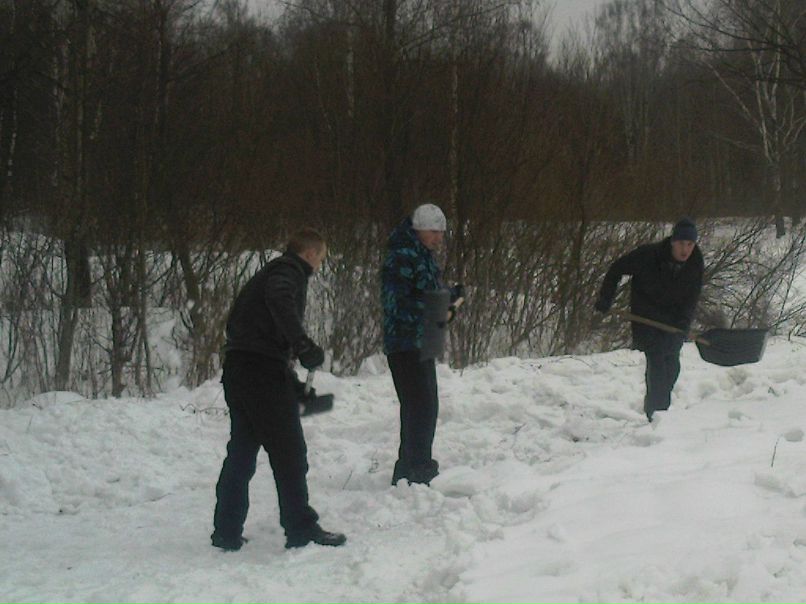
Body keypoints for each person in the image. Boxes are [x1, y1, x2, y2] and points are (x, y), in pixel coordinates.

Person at [211, 228, 346, 551]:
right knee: (289, 453)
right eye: (321, 258)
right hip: (260, 374)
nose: (319, 265)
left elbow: (260, 337)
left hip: (240, 369)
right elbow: (278, 301)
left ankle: (226, 531)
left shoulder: (271, 272)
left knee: (242, 452)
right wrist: (302, 345)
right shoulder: (287, 272)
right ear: (310, 253)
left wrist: (293, 384)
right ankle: (301, 529)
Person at [381, 204, 463, 486]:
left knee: (426, 406)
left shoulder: (422, 256)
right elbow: (399, 302)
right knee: (420, 406)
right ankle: (416, 469)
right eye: (433, 232)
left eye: (441, 233)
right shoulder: (401, 257)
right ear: (418, 230)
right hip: (404, 342)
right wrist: (437, 308)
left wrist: (450, 296)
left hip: (423, 339)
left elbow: (426, 293)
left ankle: (412, 467)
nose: (439, 239)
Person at [594, 218, 704, 422]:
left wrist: (683, 324)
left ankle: (657, 408)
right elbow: (617, 269)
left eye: (690, 244)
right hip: (647, 318)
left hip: (673, 323)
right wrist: (605, 298)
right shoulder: (648, 256)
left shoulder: (695, 263)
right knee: (658, 364)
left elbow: (692, 298)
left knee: (672, 367)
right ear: (672, 241)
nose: (685, 250)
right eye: (681, 243)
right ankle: (657, 416)